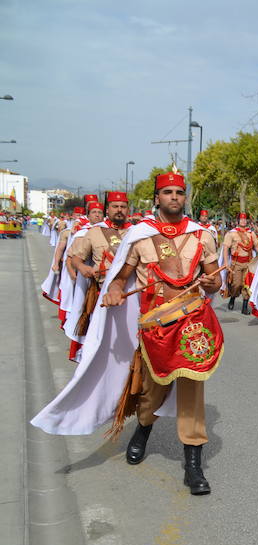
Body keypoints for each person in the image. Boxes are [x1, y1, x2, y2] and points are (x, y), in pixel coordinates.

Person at [32, 167, 223, 495]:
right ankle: (143, 429)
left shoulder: (201, 234)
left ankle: (193, 465)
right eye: (168, 193)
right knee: (152, 392)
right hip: (156, 325)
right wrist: (114, 289)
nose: (174, 198)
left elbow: (215, 280)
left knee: (193, 392)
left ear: (185, 198)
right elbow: (121, 276)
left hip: (193, 323)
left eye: (179, 193)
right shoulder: (141, 235)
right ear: (157, 198)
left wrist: (211, 282)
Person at [66, 193, 132, 361]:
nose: (119, 210)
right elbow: (75, 258)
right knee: (100, 340)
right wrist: (82, 268)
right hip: (101, 294)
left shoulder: (137, 232)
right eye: (115, 206)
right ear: (107, 210)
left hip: (130, 295)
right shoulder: (94, 232)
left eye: (123, 207)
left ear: (128, 209)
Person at [220, 212, 258, 314]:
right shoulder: (231, 233)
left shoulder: (251, 234)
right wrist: (226, 263)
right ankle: (233, 297)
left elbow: (256, 246)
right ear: (237, 221)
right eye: (241, 219)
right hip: (236, 263)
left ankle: (244, 307)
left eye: (245, 219)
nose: (243, 221)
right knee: (236, 284)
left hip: (249, 263)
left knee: (247, 285)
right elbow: (225, 248)